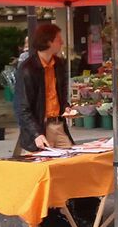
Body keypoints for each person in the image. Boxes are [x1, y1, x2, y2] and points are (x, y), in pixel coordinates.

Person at [16, 23, 75, 152]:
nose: (62, 42)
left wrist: (66, 106)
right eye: (59, 39)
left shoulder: (59, 64)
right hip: (40, 127)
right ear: (48, 42)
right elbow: (22, 106)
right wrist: (36, 134)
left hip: (58, 124)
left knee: (71, 162)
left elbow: (61, 93)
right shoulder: (27, 69)